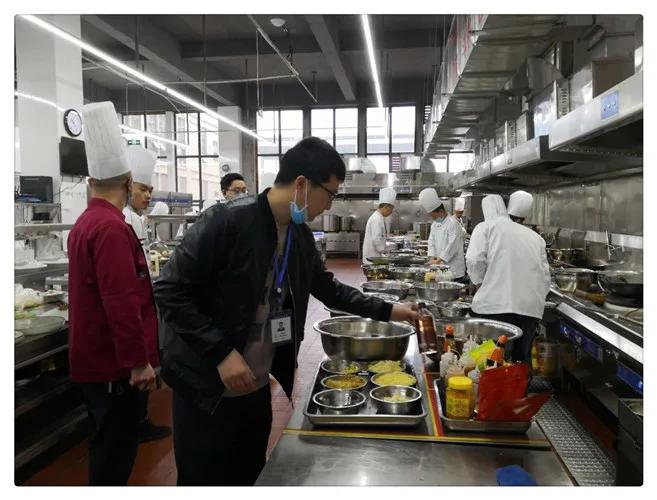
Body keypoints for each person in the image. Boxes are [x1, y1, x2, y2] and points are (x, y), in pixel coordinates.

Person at [153, 137, 418, 486]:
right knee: (203, 480)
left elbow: (329, 289)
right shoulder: (227, 221)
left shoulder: (299, 236)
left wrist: (390, 309)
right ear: (302, 184)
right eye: (330, 195)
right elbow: (169, 289)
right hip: (206, 388)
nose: (329, 206)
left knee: (250, 475)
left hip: (255, 385)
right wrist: (220, 353)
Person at [68, 102, 158, 485]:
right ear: (127, 182)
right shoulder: (111, 229)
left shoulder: (86, 222)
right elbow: (121, 301)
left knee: (107, 446)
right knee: (115, 454)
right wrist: (138, 362)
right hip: (113, 367)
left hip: (98, 361)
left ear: (91, 182)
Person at [122, 145, 172, 444]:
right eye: (143, 189)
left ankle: (139, 420)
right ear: (128, 186)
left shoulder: (136, 218)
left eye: (150, 190)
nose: (148, 195)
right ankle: (136, 425)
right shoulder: (122, 220)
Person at [465, 194, 551, 364]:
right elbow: (545, 278)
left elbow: (474, 261)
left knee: (491, 362)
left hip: (494, 309)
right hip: (529, 311)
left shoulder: (485, 227)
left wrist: (479, 283)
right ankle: (521, 381)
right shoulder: (536, 237)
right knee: (520, 362)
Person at [419, 188, 466, 282]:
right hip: (440, 268)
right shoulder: (435, 224)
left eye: (433, 216)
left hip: (454, 269)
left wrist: (438, 260)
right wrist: (432, 257)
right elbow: (431, 241)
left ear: (441, 211)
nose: (433, 218)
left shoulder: (453, 223)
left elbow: (453, 245)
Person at [362, 187, 397, 264]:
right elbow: (377, 240)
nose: (391, 212)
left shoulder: (379, 217)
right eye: (391, 210)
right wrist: (388, 249)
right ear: (386, 207)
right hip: (372, 258)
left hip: (375, 256)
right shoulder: (376, 219)